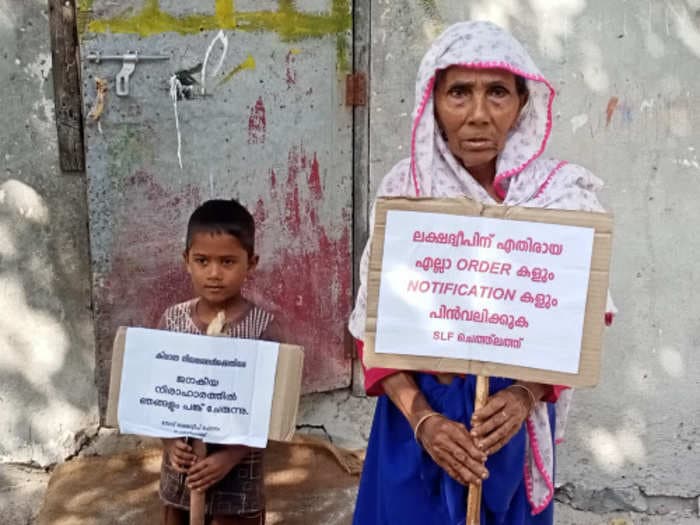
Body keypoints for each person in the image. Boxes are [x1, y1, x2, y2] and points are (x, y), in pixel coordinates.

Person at [349, 21, 615, 525]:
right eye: (459, 93)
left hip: (504, 431)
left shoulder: (559, 200)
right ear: (433, 100)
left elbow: (576, 327)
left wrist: (522, 396)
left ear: (522, 103)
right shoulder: (407, 192)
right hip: (415, 427)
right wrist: (423, 419)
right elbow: (374, 328)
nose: (477, 115)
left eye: (497, 93)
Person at [157, 199, 280, 525]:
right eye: (202, 260)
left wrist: (229, 456)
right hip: (181, 474)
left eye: (227, 261)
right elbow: (158, 398)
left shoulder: (262, 328)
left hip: (239, 476)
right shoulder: (172, 321)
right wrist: (171, 444)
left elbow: (268, 408)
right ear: (186, 261)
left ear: (250, 263)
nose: (214, 273)